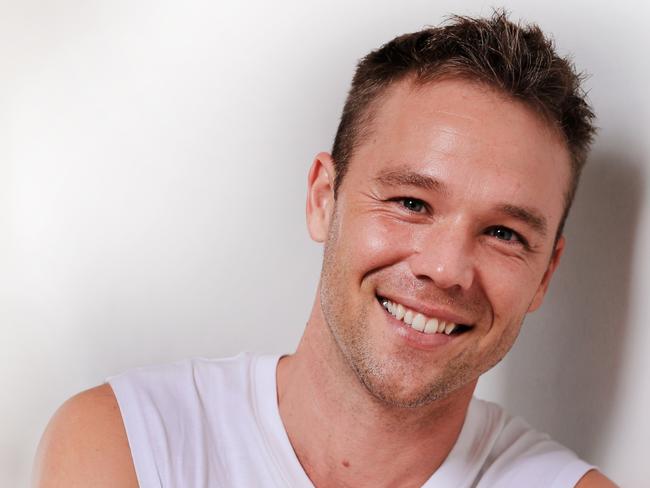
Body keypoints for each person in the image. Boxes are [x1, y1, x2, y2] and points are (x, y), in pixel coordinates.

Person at [33, 11, 616, 487]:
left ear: (545, 275)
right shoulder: (127, 445)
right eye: (411, 202)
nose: (445, 268)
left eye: (504, 234)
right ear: (323, 199)